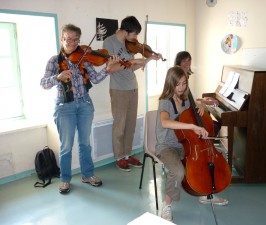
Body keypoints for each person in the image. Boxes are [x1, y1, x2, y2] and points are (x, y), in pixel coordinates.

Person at [40, 24, 120, 194]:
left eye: (76, 39)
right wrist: (58, 77)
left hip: (84, 104)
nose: (73, 42)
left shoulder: (84, 58)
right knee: (66, 146)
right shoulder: (54, 61)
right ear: (62, 39)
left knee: (85, 143)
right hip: (64, 106)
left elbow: (96, 79)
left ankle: (87, 175)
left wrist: (107, 69)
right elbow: (43, 83)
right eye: (69, 39)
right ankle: (65, 179)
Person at [103, 16, 162, 172]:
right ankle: (119, 157)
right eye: (134, 34)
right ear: (125, 31)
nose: (136, 38)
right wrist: (133, 61)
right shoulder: (110, 43)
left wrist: (147, 59)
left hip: (133, 88)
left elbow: (131, 68)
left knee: (131, 124)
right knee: (119, 125)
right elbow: (111, 69)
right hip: (118, 89)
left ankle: (128, 155)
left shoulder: (130, 45)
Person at [174, 51, 229, 206]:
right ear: (178, 63)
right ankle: (204, 189)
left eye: (189, 61)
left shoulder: (186, 80)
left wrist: (200, 102)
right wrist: (197, 105)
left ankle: (207, 190)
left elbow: (188, 99)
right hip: (179, 126)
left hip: (187, 121)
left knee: (211, 126)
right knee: (205, 131)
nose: (187, 64)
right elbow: (179, 104)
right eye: (184, 61)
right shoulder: (176, 81)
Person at [156, 66, 209, 222]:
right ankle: (166, 206)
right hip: (167, 146)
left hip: (185, 144)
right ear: (170, 83)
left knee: (203, 161)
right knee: (178, 172)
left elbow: (196, 114)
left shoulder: (186, 101)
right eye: (177, 84)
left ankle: (205, 193)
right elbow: (165, 122)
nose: (181, 88)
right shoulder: (165, 102)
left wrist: (202, 106)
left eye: (184, 83)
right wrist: (192, 127)